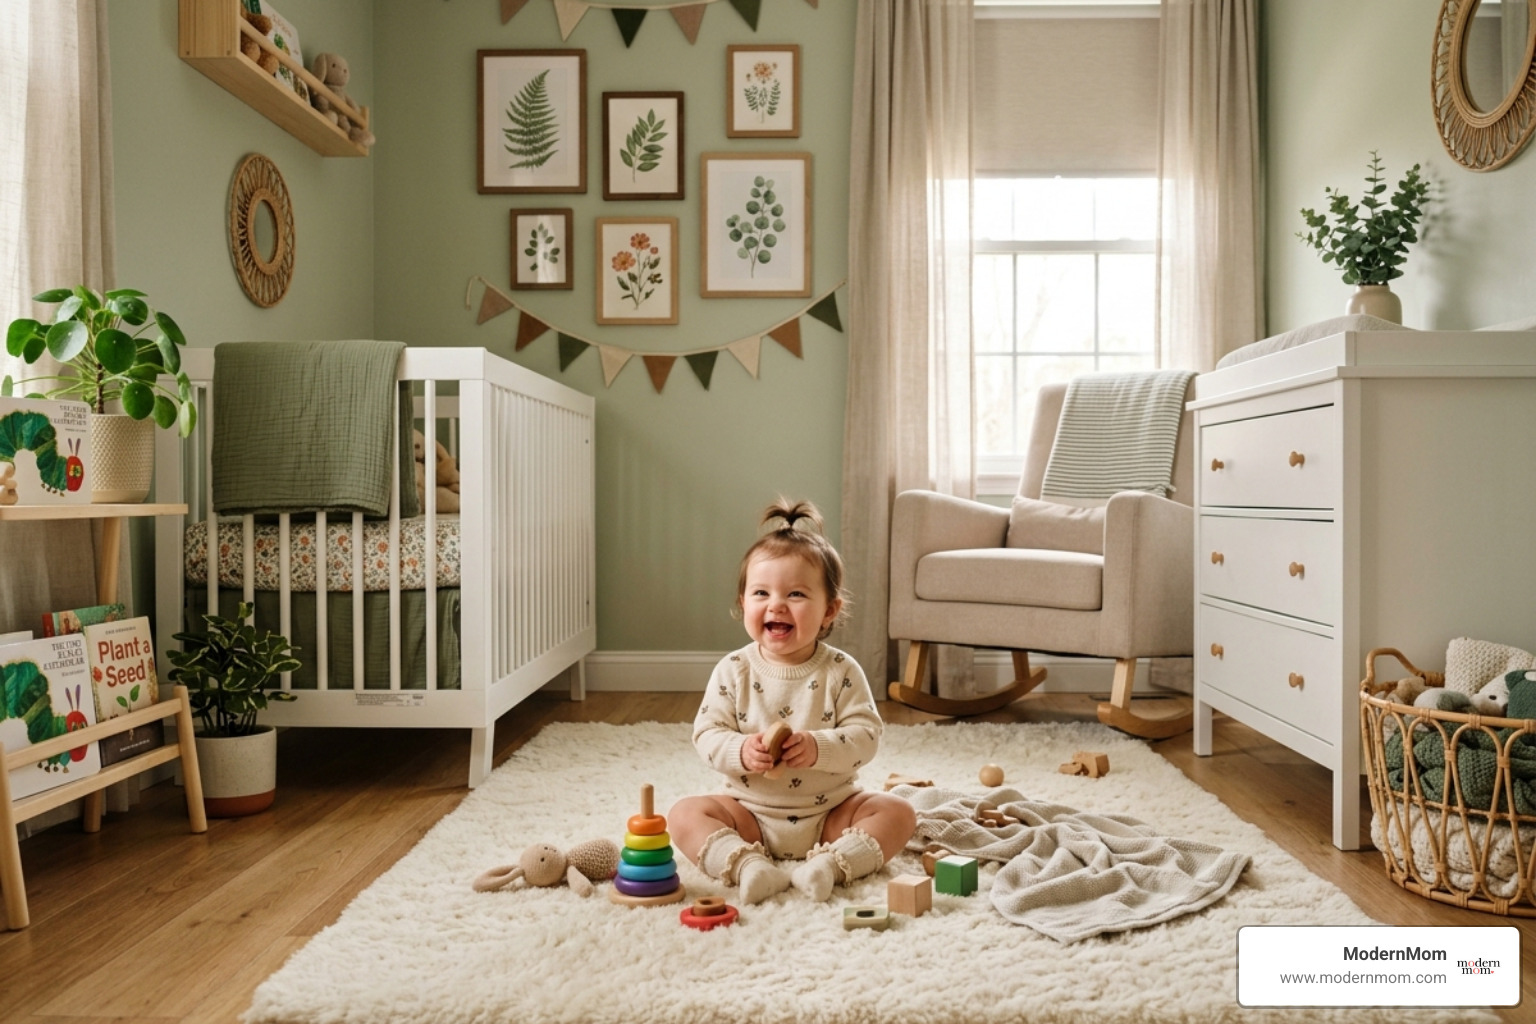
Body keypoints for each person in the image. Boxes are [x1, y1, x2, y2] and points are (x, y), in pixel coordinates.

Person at [669, 499, 916, 904]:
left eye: (796, 594)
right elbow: (707, 733)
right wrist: (741, 750)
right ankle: (748, 866)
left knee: (899, 812)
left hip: (833, 812)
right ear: (743, 603)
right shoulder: (734, 669)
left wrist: (818, 747)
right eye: (761, 593)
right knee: (683, 814)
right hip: (748, 811)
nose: (776, 605)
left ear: (829, 611)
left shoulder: (841, 670)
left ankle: (831, 866)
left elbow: (866, 735)